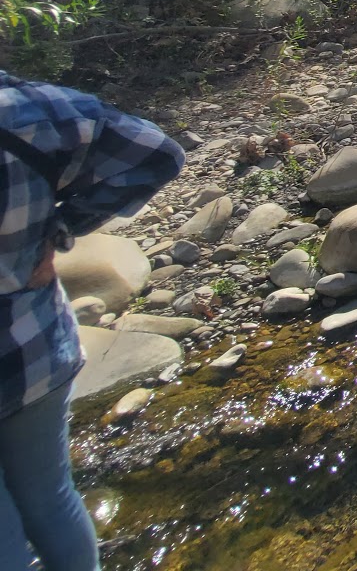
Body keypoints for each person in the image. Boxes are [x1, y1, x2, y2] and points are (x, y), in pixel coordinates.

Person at [0, 71, 184, 571]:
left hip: (34, 348)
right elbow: (159, 153)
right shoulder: (31, 110)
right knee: (52, 499)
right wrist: (60, 229)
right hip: (35, 348)